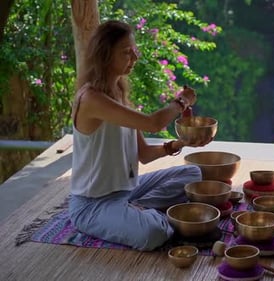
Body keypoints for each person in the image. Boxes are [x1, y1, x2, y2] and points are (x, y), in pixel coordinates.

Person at [69, 20, 210, 251]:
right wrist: (182, 102)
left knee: (194, 173)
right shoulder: (91, 99)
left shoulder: (119, 93)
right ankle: (140, 216)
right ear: (104, 55)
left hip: (128, 190)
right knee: (153, 233)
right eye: (126, 52)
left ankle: (135, 209)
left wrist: (180, 143)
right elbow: (153, 124)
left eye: (134, 50)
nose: (134, 58)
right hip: (92, 205)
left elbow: (143, 155)